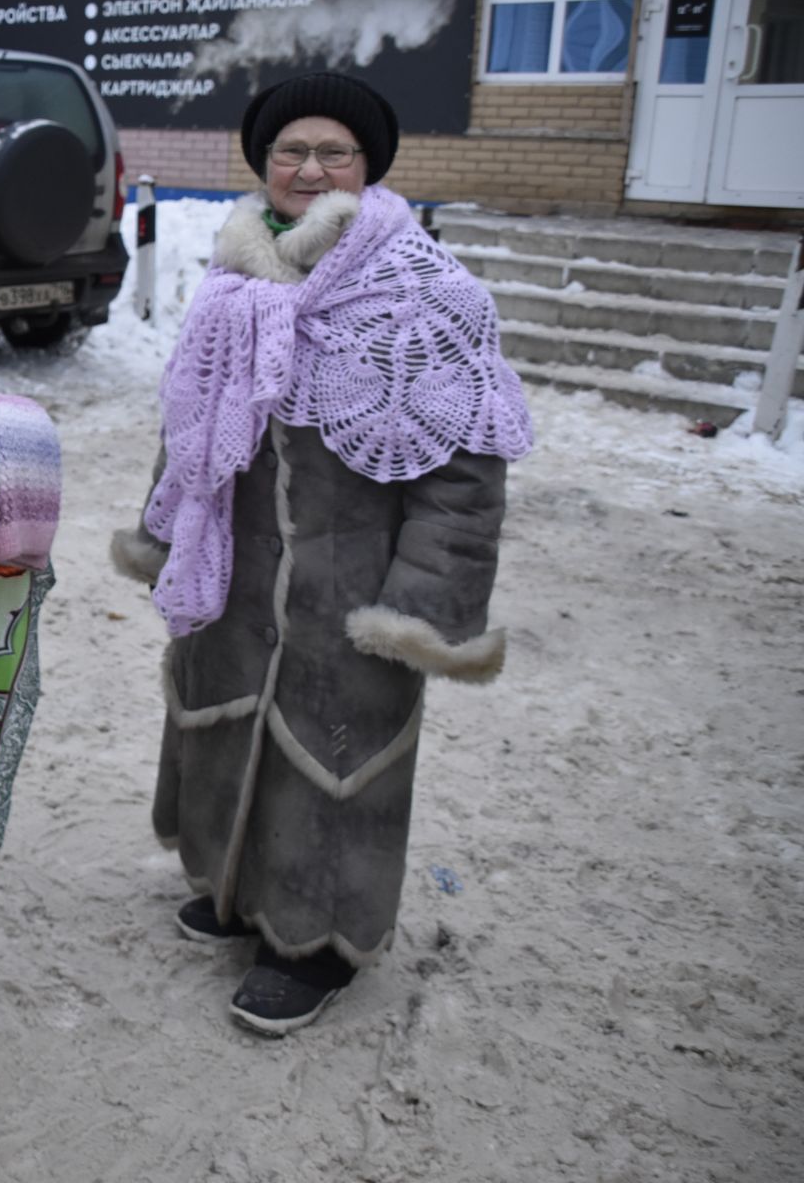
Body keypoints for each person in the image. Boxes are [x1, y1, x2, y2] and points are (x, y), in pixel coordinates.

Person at [110, 72, 533, 1035]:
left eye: (331, 151)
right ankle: (237, 891)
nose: (308, 167)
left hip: (349, 592)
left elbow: (466, 477)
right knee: (224, 731)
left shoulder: (431, 294)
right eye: (289, 150)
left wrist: (422, 609)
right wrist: (164, 530)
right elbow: (193, 426)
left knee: (336, 766)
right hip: (236, 578)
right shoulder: (233, 280)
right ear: (264, 165)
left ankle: (319, 947)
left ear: (367, 165)